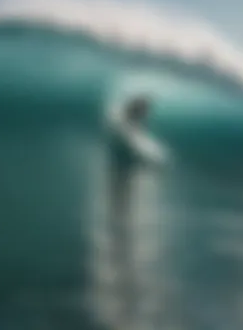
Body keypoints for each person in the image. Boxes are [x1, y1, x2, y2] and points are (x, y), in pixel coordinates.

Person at [105, 94, 169, 330]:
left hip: (125, 172)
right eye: (144, 110)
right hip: (121, 171)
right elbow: (127, 137)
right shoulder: (126, 121)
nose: (146, 114)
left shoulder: (136, 122)